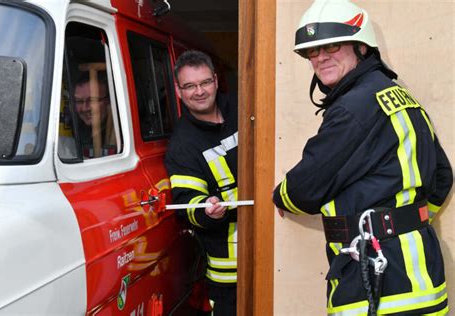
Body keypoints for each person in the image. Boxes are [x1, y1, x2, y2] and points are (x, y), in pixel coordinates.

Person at [272, 0, 452, 315]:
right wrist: (407, 223)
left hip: (376, 282)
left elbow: (304, 189)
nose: (321, 57)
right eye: (312, 51)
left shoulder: (352, 108)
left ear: (362, 47)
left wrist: (281, 197)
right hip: (423, 279)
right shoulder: (400, 97)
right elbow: (442, 176)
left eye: (333, 46)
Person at [165, 50, 238, 316]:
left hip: (273, 249)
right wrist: (206, 209)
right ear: (178, 90)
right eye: (189, 86)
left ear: (216, 81)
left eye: (205, 82)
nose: (199, 91)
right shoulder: (182, 145)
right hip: (228, 273)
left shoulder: (243, 108)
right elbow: (185, 201)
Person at [73, 71, 114, 158]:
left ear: (108, 100)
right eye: (79, 101)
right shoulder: (72, 132)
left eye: (92, 100)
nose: (85, 108)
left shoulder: (121, 137)